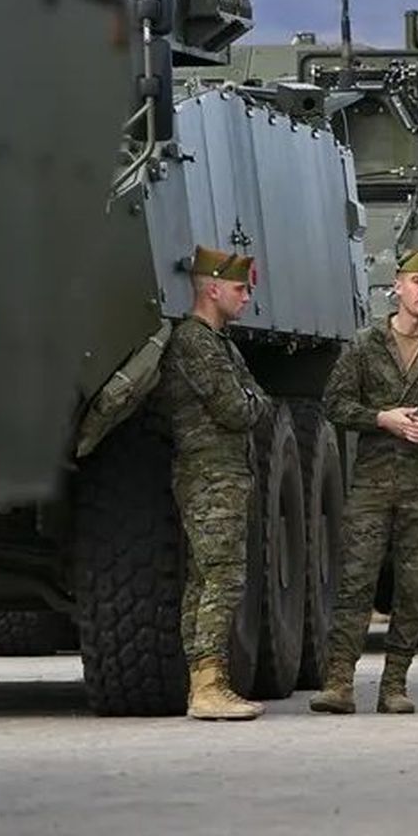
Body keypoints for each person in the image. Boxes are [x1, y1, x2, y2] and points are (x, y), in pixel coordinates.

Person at [309, 249, 418, 714]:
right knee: (355, 581)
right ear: (398, 287)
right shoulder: (365, 346)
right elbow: (335, 404)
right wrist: (381, 418)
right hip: (372, 483)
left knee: (414, 584)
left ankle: (394, 686)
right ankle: (340, 681)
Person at [156, 244, 271, 720]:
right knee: (222, 578)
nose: (246, 298)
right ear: (213, 288)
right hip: (209, 475)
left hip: (222, 473)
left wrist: (252, 402)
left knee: (208, 579)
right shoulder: (195, 342)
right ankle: (207, 685)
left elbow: (255, 401)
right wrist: (252, 403)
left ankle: (204, 681)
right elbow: (240, 408)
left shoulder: (219, 343)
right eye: (241, 289)